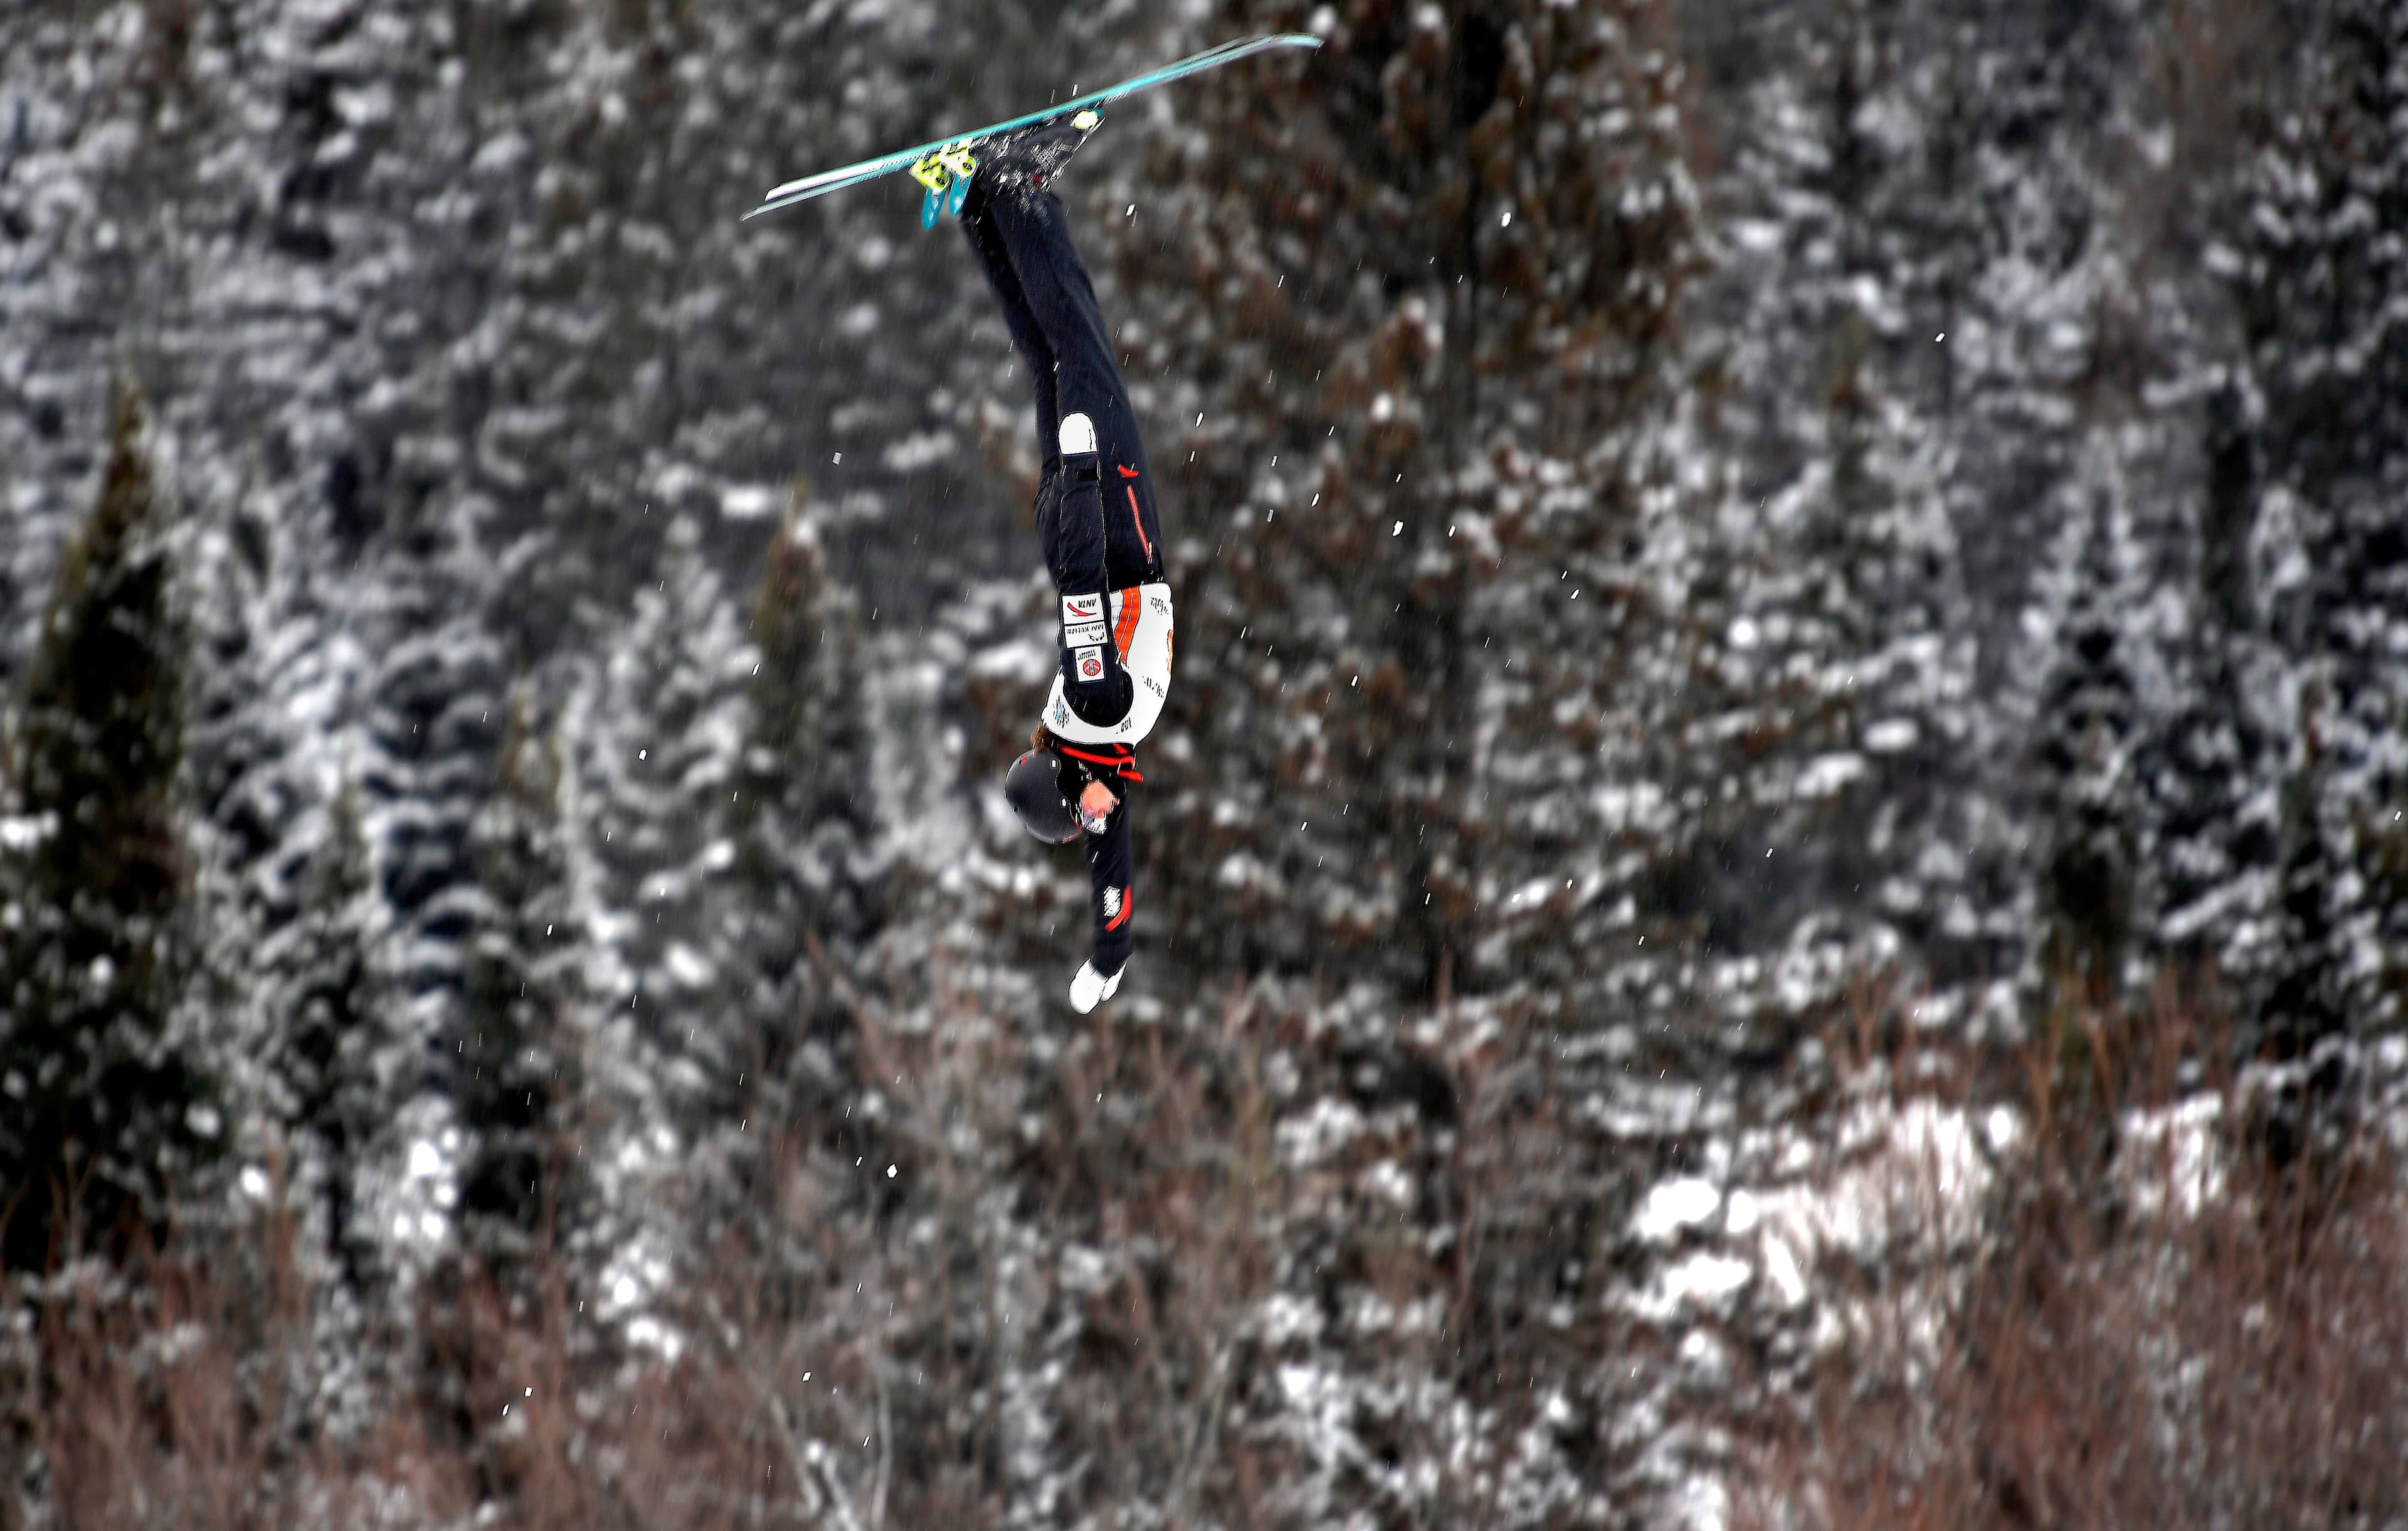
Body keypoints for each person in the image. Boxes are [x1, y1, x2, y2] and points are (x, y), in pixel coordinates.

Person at [966, 115, 1173, 1015]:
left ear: (1068, 774)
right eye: (1088, 819)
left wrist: (1085, 465)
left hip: (1101, 523)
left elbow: (1084, 596)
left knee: (1079, 345)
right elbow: (1111, 872)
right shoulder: (1097, 766)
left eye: (1083, 809)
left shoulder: (1098, 706)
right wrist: (1108, 953)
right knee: (1046, 355)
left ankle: (1019, 192)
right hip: (1071, 509)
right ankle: (987, 207)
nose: (1097, 817)